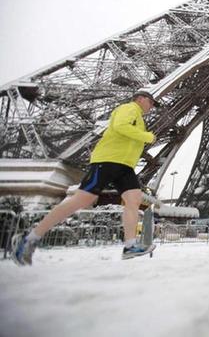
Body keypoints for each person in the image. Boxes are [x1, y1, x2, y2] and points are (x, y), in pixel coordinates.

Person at [12, 90, 158, 265]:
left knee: (133, 200)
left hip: (124, 165)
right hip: (108, 161)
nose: (152, 106)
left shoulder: (139, 118)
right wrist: (147, 136)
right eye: (151, 102)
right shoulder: (129, 108)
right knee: (80, 201)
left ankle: (130, 245)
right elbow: (120, 126)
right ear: (140, 99)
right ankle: (31, 238)